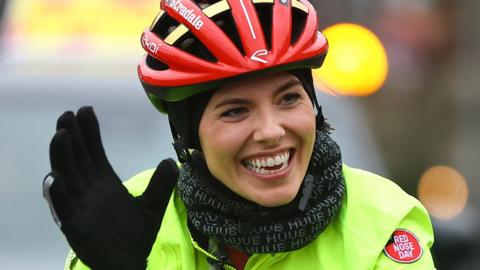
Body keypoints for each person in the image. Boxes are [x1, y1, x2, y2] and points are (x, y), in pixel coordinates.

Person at [43, 0, 436, 269]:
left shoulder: (385, 224)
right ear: (189, 136)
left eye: (288, 98)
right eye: (235, 111)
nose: (270, 131)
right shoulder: (126, 221)